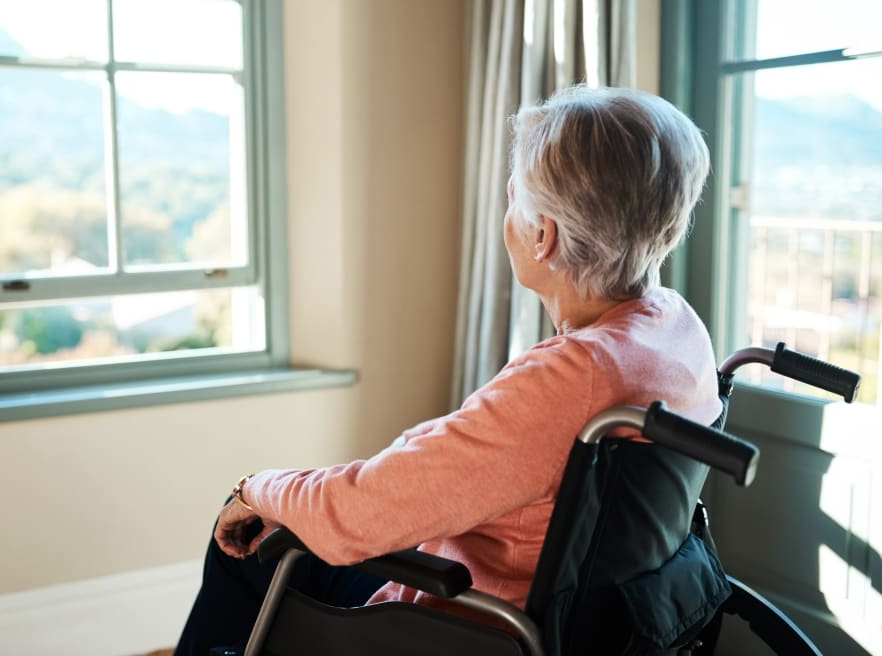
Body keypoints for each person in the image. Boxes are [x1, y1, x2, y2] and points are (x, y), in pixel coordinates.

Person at [174, 85, 720, 656]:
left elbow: (352, 517)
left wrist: (254, 487)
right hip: (575, 612)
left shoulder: (568, 382)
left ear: (542, 236)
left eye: (514, 199)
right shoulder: (676, 331)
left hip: (466, 628)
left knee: (248, 535)